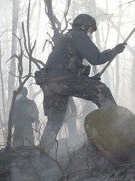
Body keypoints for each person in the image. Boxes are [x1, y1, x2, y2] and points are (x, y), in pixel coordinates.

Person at [38, 13, 126, 153]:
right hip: (63, 80)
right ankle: (119, 129)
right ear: (84, 26)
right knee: (100, 90)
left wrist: (89, 80)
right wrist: (115, 51)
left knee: (56, 118)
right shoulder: (78, 35)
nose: (91, 33)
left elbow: (67, 67)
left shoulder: (66, 39)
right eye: (91, 29)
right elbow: (96, 58)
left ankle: (41, 153)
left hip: (50, 84)